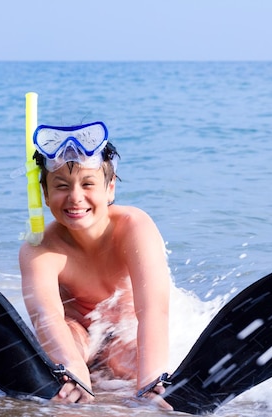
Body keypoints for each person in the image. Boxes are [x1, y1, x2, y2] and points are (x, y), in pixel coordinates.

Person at [19, 121, 173, 409]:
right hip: (76, 330)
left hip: (126, 328)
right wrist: (72, 368)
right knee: (69, 343)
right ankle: (72, 378)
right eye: (61, 186)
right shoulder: (39, 248)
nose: (75, 197)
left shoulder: (133, 226)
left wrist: (151, 378)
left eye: (88, 184)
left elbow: (153, 308)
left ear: (110, 188)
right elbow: (46, 314)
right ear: (45, 193)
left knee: (126, 360)